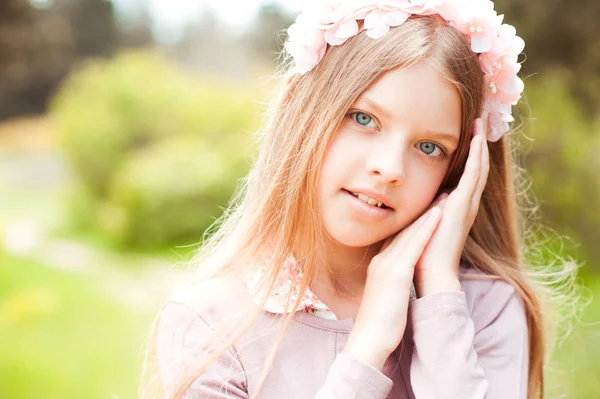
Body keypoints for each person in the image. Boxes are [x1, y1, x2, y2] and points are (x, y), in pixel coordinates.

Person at [142, 1, 578, 398]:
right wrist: (367, 349)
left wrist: (439, 293)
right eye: (364, 118)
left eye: (430, 148)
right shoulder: (211, 324)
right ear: (304, 110)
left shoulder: (486, 307)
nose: (389, 169)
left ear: (461, 172)